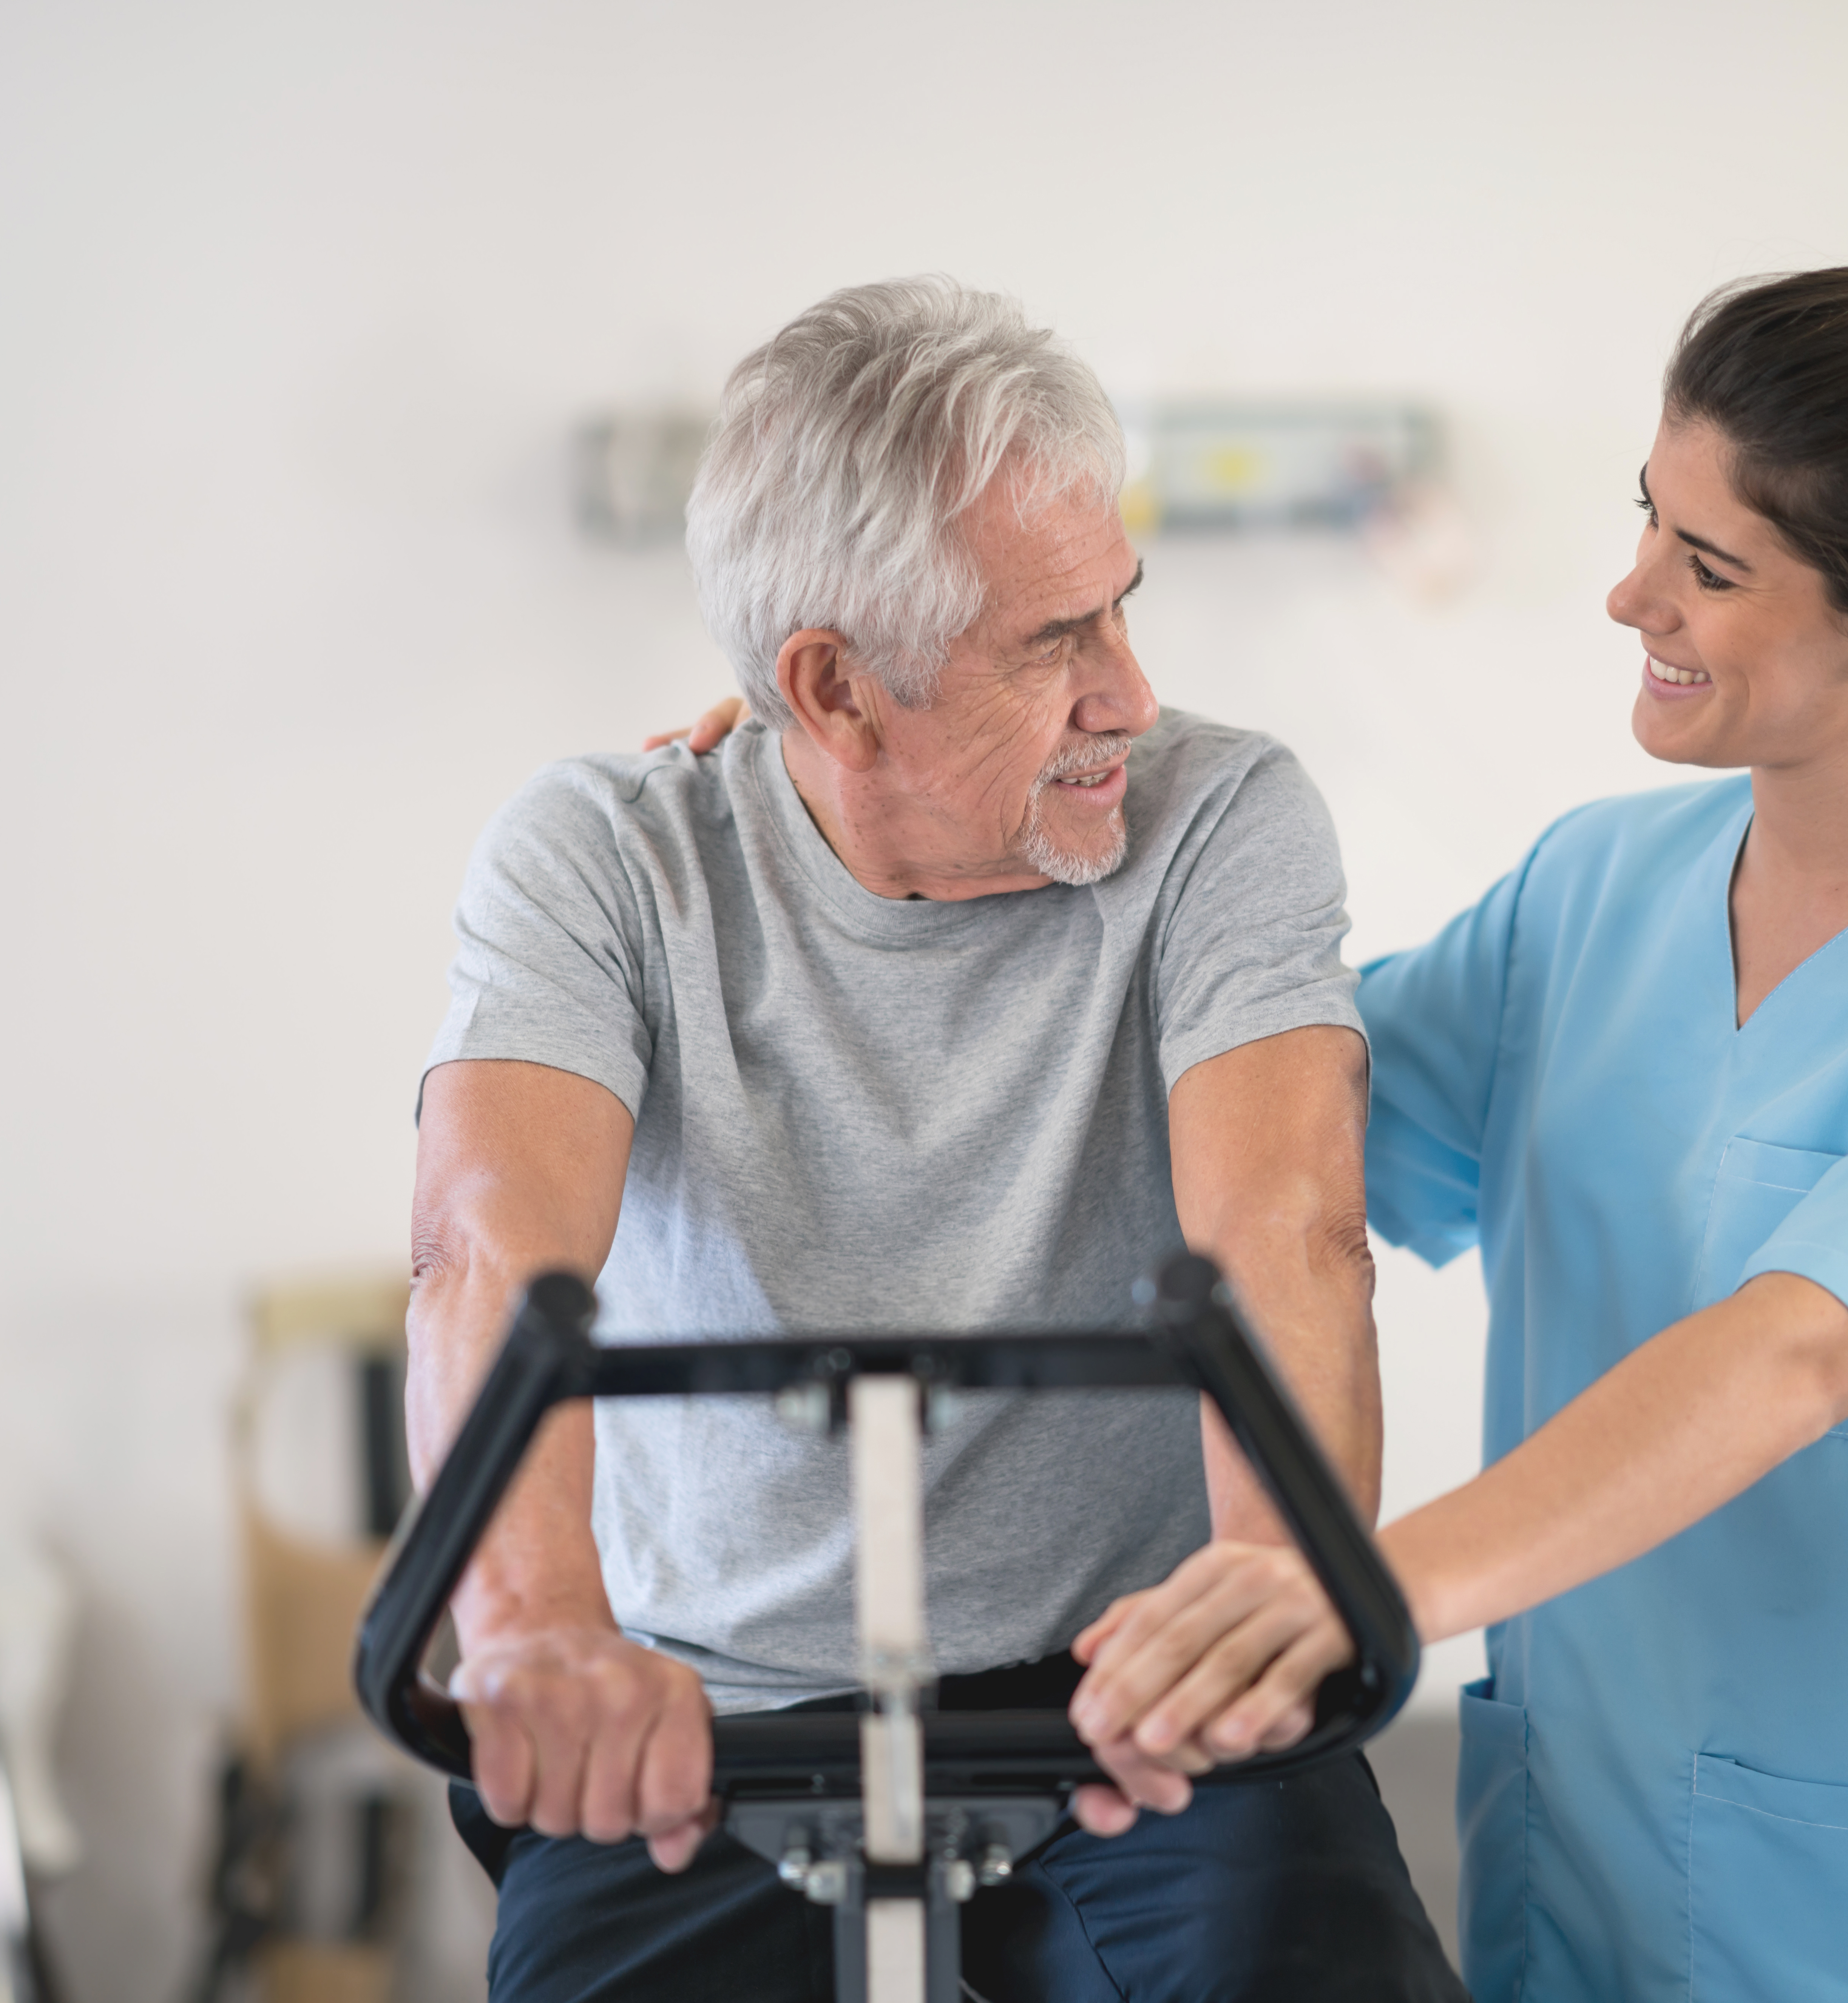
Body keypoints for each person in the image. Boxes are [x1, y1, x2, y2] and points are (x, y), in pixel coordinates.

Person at [1066, 264, 1848, 2002]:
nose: (1628, 594)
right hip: (1590, 1860)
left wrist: (1361, 1590)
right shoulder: (1589, 893)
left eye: (1710, 566)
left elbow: (1796, 1350)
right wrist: (825, 812)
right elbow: (1249, 1114)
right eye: (1646, 518)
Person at [405, 278, 1462, 2003]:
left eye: (1120, 612)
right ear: (832, 688)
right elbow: (484, 1252)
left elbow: (1287, 1231)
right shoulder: (602, 857)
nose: (1130, 695)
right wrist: (533, 1630)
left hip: (1136, 1674)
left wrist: (1267, 1593)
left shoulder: (1221, 818)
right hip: (716, 1703)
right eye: (1052, 645)